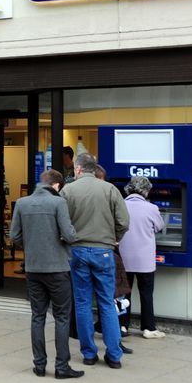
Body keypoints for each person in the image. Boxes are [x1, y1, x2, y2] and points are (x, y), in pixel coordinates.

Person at [11, 169, 83, 379]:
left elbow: (14, 234)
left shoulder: (22, 203)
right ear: (57, 186)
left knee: (37, 316)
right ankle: (62, 367)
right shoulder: (58, 203)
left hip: (33, 268)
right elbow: (69, 235)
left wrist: (31, 247)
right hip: (58, 268)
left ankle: (39, 365)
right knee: (62, 317)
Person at [60, 153, 130, 369]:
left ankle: (89, 353)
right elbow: (124, 222)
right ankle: (114, 355)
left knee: (81, 303)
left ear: (79, 170)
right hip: (104, 251)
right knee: (107, 302)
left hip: (78, 250)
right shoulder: (109, 189)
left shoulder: (67, 191)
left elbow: (60, 222)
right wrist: (113, 238)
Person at [117, 176, 167, 339]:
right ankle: (148, 328)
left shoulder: (120, 205)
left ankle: (122, 326)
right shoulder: (151, 208)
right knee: (146, 293)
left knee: (123, 293)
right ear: (146, 191)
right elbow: (160, 227)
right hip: (144, 261)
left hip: (124, 258)